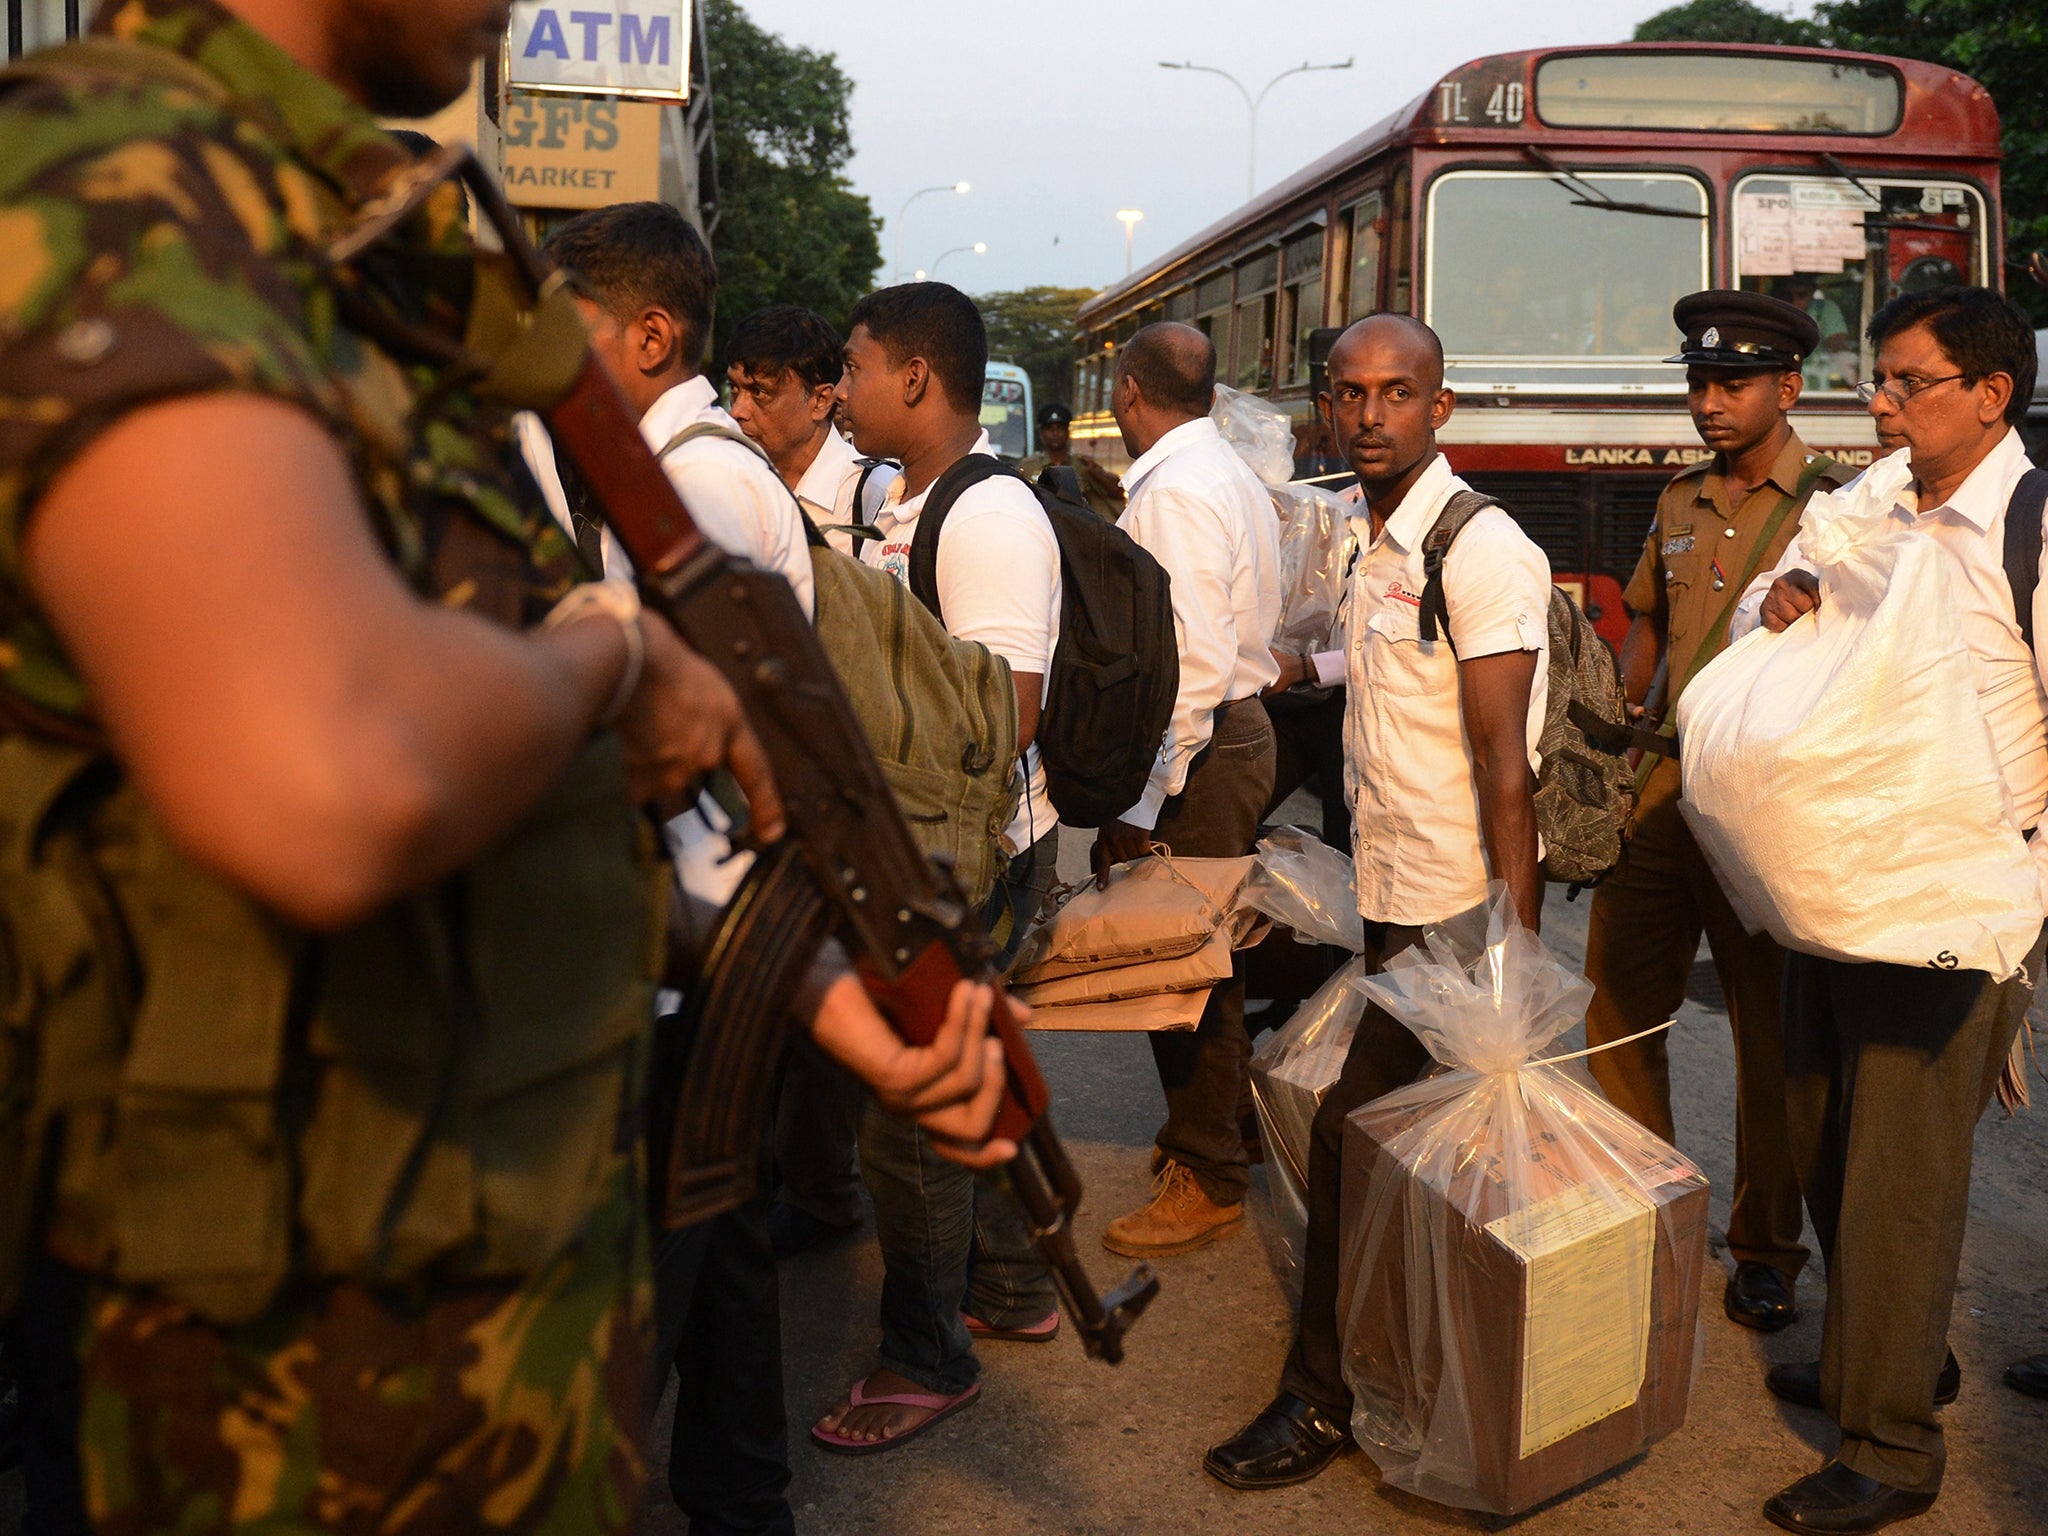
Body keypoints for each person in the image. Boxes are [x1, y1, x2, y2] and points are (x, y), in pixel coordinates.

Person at [0, 4, 1011, 1530]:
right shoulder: (113, 168)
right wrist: (612, 660)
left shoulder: (370, 244)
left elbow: (493, 787)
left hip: (478, 1315)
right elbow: (337, 775)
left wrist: (799, 988)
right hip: (268, 1369)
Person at [1204, 312, 1550, 1492]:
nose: (1366, 415)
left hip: (1456, 917)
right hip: (1394, 900)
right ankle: (1415, 1369)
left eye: (1394, 394)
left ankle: (1323, 1397)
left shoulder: (1479, 546)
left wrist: (1512, 959)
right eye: (1346, 394)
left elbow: (1507, 762)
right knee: (1411, 1162)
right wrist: (1318, 667)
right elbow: (1402, 655)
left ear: (1438, 408)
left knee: (1362, 1148)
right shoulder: (1365, 531)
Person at [518, 203, 823, 1535]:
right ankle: (740, 1494)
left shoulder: (683, 483)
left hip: (697, 916)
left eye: (567, 329)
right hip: (718, 911)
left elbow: (645, 726)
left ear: (646, 333)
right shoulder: (702, 461)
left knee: (655, 1259)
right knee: (726, 1227)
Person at [1733, 286, 2046, 1534]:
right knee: (1819, 1138)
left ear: (1988, 393)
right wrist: (1786, 604)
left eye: (1906, 382)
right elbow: (1791, 612)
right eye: (1878, 380)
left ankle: (1889, 1447)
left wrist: (2019, 913)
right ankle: (1888, 1358)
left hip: (1954, 902)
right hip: (1832, 886)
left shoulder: (2027, 528)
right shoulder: (1869, 506)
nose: (1878, 403)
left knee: (1896, 1182)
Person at [812, 282, 1062, 1454]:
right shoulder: (892, 498)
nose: (841, 390)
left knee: (906, 1113)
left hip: (967, 857)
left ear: (915, 376)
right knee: (951, 1075)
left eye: (854, 369)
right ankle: (1008, 1287)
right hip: (915, 845)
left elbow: (1003, 715)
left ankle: (925, 1356)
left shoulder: (989, 514)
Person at [1582, 291, 1851, 1340]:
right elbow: (1646, 637)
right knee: (1614, 1005)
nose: (1707, 402)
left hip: (1766, 815)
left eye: (1729, 383)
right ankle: (1644, 1209)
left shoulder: (1838, 508)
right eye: (1696, 382)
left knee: (1770, 1039)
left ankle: (1764, 1250)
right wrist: (1609, 740)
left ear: (1785, 389)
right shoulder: (1677, 502)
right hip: (1660, 799)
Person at [1086, 322, 1283, 1258]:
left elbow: (1191, 665)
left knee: (1182, 970)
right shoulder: (1226, 473)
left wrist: (1137, 806)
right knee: (1209, 959)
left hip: (1200, 750)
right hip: (1229, 737)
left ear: (1129, 392)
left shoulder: (1175, 493)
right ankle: (1212, 1139)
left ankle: (1207, 1174)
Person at [725, 303, 898, 557]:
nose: (737, 411)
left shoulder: (878, 494)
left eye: (759, 393)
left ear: (821, 400)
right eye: (735, 389)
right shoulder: (727, 481)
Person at [1018, 400, 1124, 521]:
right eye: (1049, 429)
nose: (1055, 433)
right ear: (1041, 434)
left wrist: (1097, 473)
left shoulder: (1082, 465)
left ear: (1067, 432)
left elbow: (1117, 493)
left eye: (1060, 428)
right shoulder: (1028, 467)